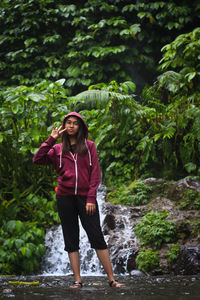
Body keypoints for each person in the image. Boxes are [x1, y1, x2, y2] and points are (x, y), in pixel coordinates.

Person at [33, 112, 125, 288]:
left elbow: (95, 174)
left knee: (96, 236)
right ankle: (77, 280)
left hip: (86, 199)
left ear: (80, 127)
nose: (71, 126)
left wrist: (91, 198)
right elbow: (37, 159)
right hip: (64, 198)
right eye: (68, 123)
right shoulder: (57, 149)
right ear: (64, 126)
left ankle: (112, 279)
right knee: (70, 238)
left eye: (75, 123)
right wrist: (51, 139)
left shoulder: (89, 147)